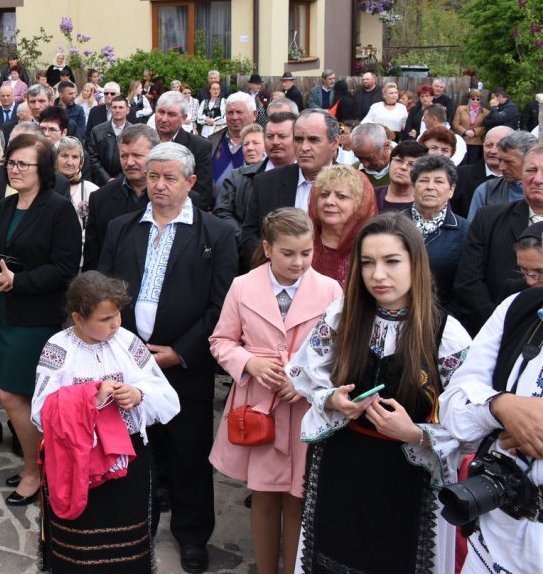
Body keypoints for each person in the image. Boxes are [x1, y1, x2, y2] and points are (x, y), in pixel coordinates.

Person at [287, 213, 471, 574]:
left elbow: (469, 423)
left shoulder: (447, 336)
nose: (378, 275)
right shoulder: (344, 315)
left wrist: (416, 433)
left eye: (392, 261)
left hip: (406, 478)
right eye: (368, 263)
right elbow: (303, 370)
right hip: (341, 464)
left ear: (416, 263)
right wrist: (332, 399)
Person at [97, 142, 238, 573]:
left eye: (169, 178)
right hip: (128, 362)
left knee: (188, 452)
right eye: (153, 176)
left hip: (184, 365)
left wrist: (180, 352)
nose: (158, 185)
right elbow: (101, 290)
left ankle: (192, 536)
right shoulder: (122, 227)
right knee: (135, 449)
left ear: (191, 183)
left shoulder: (216, 234)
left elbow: (222, 307)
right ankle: (133, 529)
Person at [209, 209, 342, 574]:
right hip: (259, 405)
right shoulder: (243, 286)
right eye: (288, 253)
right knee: (264, 494)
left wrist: (304, 381)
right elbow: (221, 340)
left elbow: (339, 351)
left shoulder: (331, 290)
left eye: (306, 253)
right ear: (267, 248)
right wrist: (249, 363)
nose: (298, 262)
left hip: (305, 407)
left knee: (298, 495)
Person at [33, 271, 180, 573]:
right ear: (77, 318)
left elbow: (166, 394)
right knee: (82, 549)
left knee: (128, 544)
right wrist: (91, 398)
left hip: (129, 458)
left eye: (117, 315)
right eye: (105, 319)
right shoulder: (58, 348)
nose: (115, 324)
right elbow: (41, 411)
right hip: (76, 462)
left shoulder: (127, 342)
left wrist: (139, 393)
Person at [438, 223, 543, 574]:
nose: (532, 283)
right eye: (526, 273)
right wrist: (502, 407)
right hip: (500, 530)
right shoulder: (517, 309)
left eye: (540, 273)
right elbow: (453, 404)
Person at [0, 134, 82, 505]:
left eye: (23, 163)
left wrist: (19, 281)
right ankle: (41, 462)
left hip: (37, 319)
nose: (15, 168)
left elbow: (65, 267)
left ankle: (35, 470)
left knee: (12, 395)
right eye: (11, 161)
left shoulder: (59, 209)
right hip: (4, 313)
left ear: (43, 170)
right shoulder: (6, 206)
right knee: (18, 396)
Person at [453, 143, 543, 337]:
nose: (537, 179)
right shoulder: (489, 218)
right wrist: (498, 326)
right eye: (531, 170)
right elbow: (468, 282)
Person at [240, 109, 341, 263]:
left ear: (334, 142)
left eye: (313, 140)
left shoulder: (353, 184)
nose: (304, 147)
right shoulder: (266, 183)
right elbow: (250, 238)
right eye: (299, 139)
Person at [82, 124, 159, 271]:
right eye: (124, 156)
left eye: (137, 155)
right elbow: (92, 258)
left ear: (154, 155)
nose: (129, 162)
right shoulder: (100, 198)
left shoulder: (172, 198)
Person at [402, 155, 468, 318]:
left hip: (444, 318)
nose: (430, 187)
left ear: (451, 190)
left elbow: (465, 285)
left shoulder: (465, 231)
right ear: (413, 186)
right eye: (423, 180)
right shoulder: (394, 225)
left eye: (439, 181)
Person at [308, 165, 377, 286]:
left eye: (341, 196)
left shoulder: (371, 247)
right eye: (324, 195)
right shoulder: (303, 243)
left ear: (360, 204)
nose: (329, 201)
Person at [152, 91, 214, 211]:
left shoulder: (200, 147)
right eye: (161, 112)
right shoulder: (143, 142)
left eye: (171, 114)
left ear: (184, 118)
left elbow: (203, 196)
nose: (164, 119)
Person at [211, 121, 270, 237]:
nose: (250, 148)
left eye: (256, 143)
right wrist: (243, 238)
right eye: (246, 144)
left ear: (266, 146)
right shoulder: (234, 176)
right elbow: (222, 211)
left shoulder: (274, 174)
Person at [467, 130, 535, 216]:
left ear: (529, 160)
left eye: (509, 162)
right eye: (500, 160)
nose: (501, 167)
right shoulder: (486, 191)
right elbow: (474, 228)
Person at [207, 92, 258, 196]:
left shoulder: (265, 144)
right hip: (212, 210)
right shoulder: (211, 142)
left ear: (254, 115)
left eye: (239, 112)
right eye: (230, 112)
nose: (234, 117)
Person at [453, 125, 510, 218]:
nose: (493, 151)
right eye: (489, 145)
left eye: (500, 146)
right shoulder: (460, 175)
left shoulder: (518, 181)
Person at [56, 136, 98, 247]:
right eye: (64, 155)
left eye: (75, 157)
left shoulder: (92, 191)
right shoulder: (45, 187)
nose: (69, 162)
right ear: (55, 159)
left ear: (81, 162)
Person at [85, 94, 132, 186]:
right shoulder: (97, 131)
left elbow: (135, 158)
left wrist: (119, 179)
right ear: (110, 109)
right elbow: (92, 158)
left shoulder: (134, 132)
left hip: (126, 182)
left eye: (121, 107)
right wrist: (107, 179)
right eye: (114, 107)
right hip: (100, 182)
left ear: (127, 110)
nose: (117, 110)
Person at [375, 141, 425, 212]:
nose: (403, 167)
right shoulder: (372, 196)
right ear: (390, 162)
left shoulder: (425, 203)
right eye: (399, 161)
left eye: (411, 164)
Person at [452, 89, 487, 160]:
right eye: (473, 99)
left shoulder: (485, 112)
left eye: (478, 99)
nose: (475, 101)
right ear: (469, 99)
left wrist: (475, 131)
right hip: (462, 140)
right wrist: (465, 131)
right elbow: (455, 123)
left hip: (477, 142)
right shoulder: (461, 109)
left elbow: (486, 126)